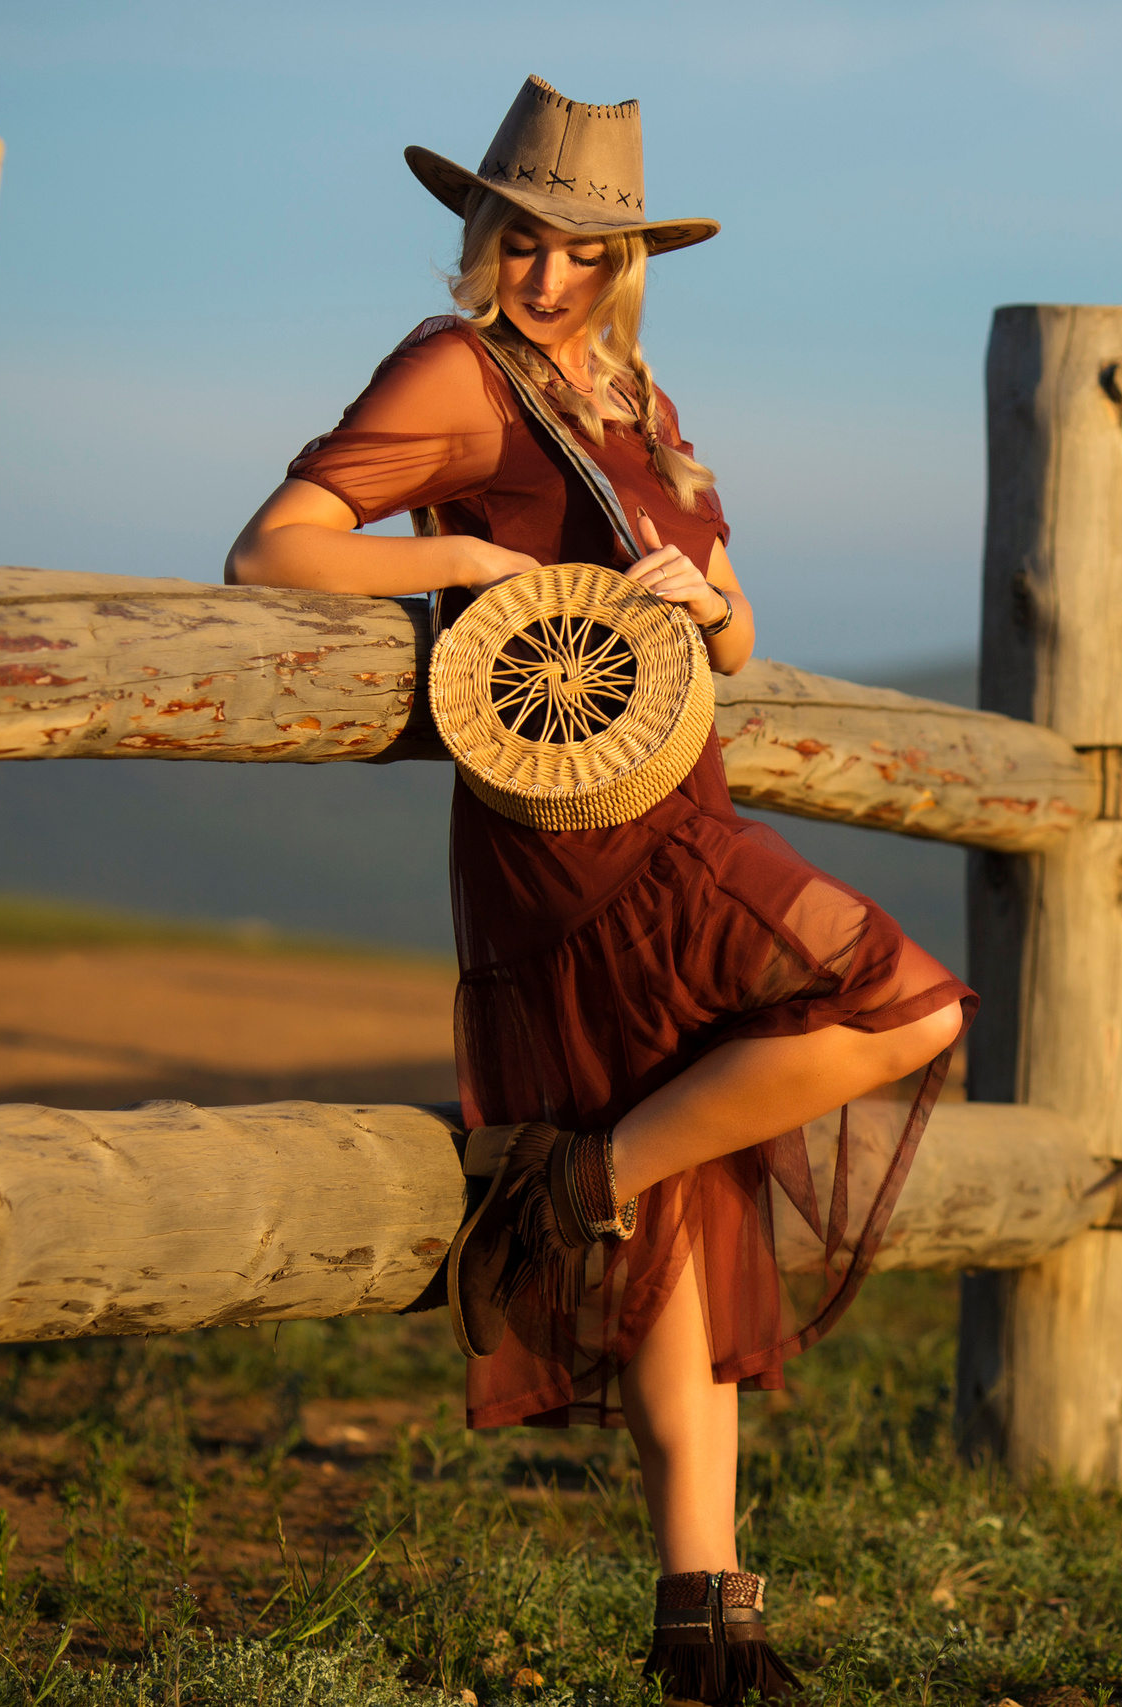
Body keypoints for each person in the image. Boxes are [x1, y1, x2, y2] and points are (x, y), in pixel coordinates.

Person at [225, 75, 971, 1703]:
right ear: (481, 229)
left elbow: (742, 621)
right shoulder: (455, 372)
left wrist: (707, 605)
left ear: (628, 256)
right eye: (522, 236)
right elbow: (272, 551)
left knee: (687, 1230)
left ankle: (705, 1626)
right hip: (571, 836)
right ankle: (582, 1179)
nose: (548, 271)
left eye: (583, 245)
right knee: (905, 1002)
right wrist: (470, 563)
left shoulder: (636, 392)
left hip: (673, 782)